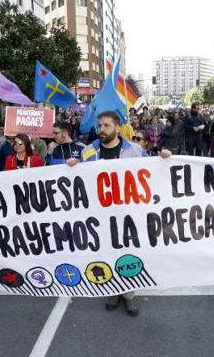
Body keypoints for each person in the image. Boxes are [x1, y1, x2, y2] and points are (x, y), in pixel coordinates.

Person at [66, 111, 147, 316]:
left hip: (127, 212)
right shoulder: (87, 151)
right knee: (107, 253)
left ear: (118, 128)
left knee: (127, 253)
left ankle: (129, 294)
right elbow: (78, 181)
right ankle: (113, 291)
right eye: (100, 125)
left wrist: (165, 159)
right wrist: (71, 167)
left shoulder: (135, 150)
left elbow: (153, 171)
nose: (101, 129)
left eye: (106, 126)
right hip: (99, 214)